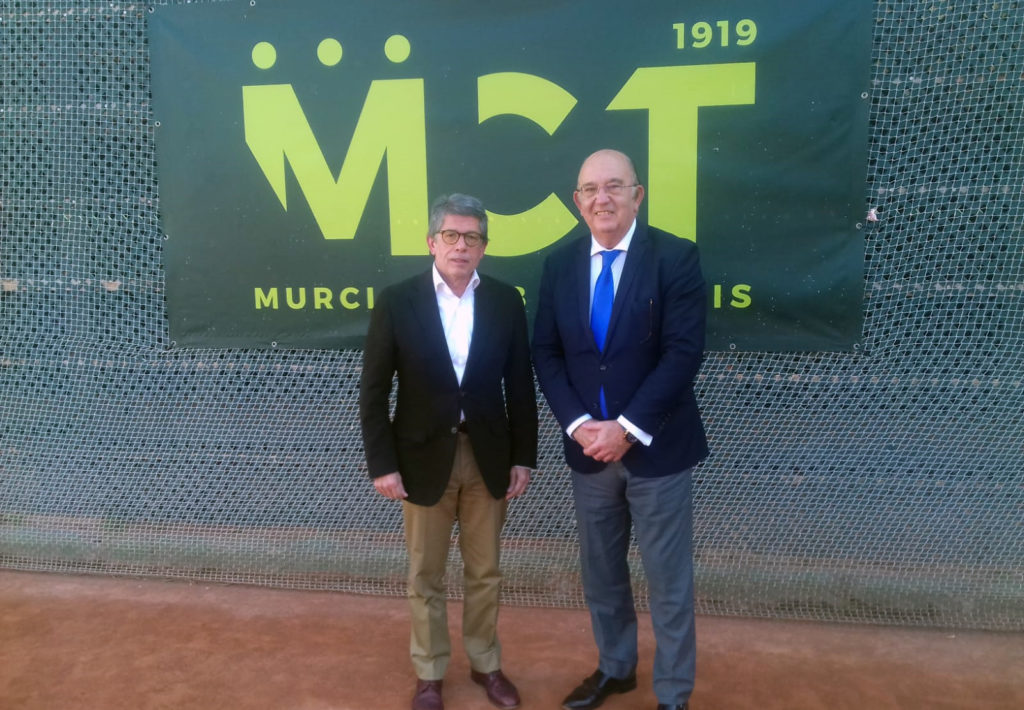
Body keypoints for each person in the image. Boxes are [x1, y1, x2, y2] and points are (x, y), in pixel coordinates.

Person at [532, 150, 709, 710]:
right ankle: (616, 669)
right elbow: (546, 351)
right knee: (603, 576)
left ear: (638, 194)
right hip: (589, 454)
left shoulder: (675, 258)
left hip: (655, 453)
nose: (601, 199)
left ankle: (674, 695)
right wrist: (581, 425)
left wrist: (627, 429)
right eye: (590, 189)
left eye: (614, 186)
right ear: (576, 201)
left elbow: (683, 353)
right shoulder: (558, 264)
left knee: (668, 584)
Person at [359, 193, 537, 710]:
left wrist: (523, 455)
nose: (462, 246)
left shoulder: (506, 302)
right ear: (432, 242)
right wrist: (383, 464)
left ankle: (486, 663)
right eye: (452, 236)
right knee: (425, 573)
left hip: (488, 459)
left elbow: (520, 386)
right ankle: (430, 671)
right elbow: (373, 391)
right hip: (418, 461)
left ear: (484, 246)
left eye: (473, 237)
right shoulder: (397, 300)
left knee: (486, 571)